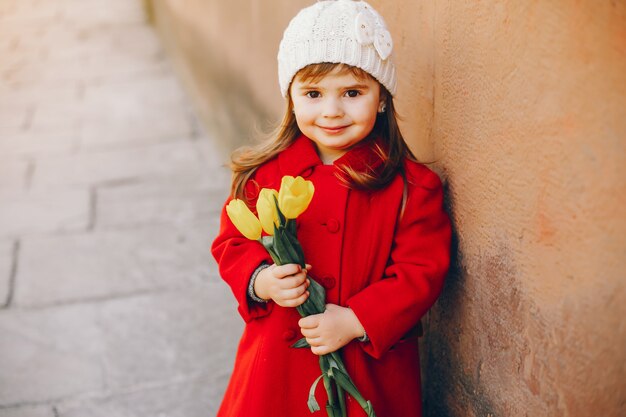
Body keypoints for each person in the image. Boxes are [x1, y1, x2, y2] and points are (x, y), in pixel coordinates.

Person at [211, 1, 451, 416]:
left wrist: (357, 319)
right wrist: (261, 279)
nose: (332, 110)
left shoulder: (412, 188)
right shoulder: (265, 176)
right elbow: (231, 242)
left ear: (380, 99)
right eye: (313, 93)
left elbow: (420, 271)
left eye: (353, 92)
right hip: (277, 368)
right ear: (291, 97)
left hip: (366, 368)